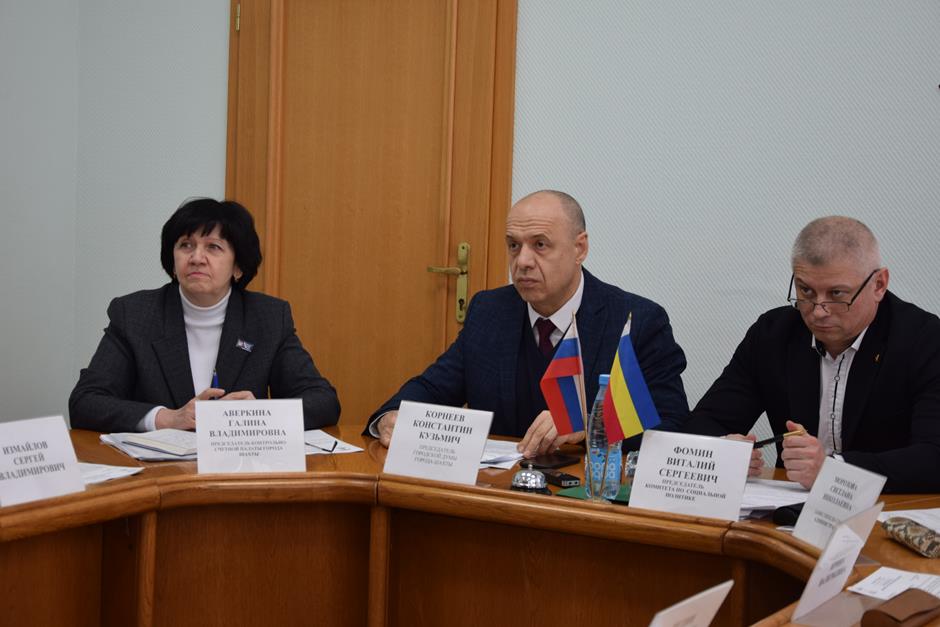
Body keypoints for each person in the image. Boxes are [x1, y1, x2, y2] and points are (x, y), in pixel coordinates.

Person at [365, 190, 689, 456]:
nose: (522, 261)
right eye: (513, 245)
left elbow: (672, 429)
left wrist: (590, 426)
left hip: (586, 502)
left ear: (580, 248)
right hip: (499, 495)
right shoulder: (490, 311)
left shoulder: (636, 322)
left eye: (540, 245)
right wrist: (390, 417)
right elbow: (434, 388)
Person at [684, 216, 940, 493]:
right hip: (788, 510)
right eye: (805, 290)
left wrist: (833, 470)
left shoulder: (924, 340)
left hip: (891, 507)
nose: (818, 311)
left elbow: (933, 457)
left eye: (837, 293)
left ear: (879, 284)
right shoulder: (773, 335)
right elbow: (705, 423)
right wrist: (721, 451)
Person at [69, 198, 340, 433]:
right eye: (186, 245)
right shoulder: (135, 314)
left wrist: (257, 415)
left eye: (213, 247)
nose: (197, 258)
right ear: (172, 261)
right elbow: (85, 402)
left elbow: (323, 401)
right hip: (156, 470)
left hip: (238, 468)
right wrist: (166, 418)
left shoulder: (267, 317)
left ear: (238, 266)